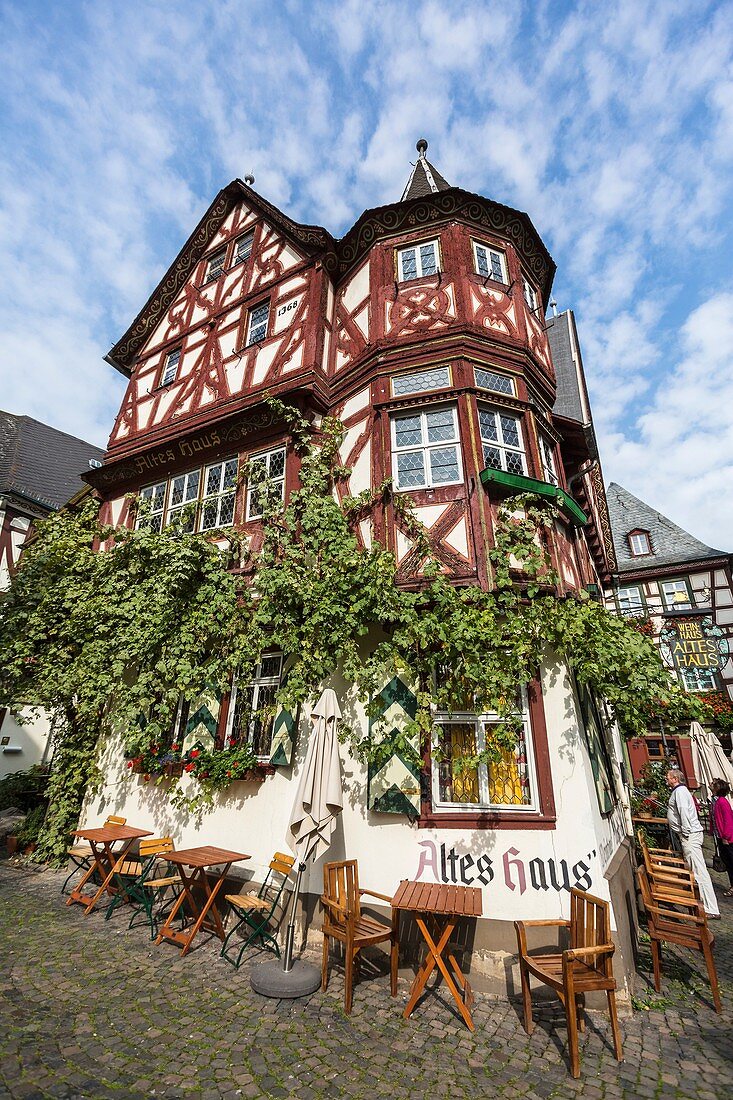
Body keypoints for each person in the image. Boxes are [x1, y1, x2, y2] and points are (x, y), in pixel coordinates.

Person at [666, 768, 720, 918]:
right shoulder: (680, 791)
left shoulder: (680, 792)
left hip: (689, 836)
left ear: (675, 779)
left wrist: (685, 832)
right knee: (696, 870)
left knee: (699, 871)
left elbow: (684, 812)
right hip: (689, 835)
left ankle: (711, 908)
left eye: (668, 777)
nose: (666, 780)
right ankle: (704, 903)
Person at [710, 778, 733, 898]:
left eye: (712, 784)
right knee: (728, 862)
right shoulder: (715, 801)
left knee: (731, 862)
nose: (710, 784)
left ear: (717, 788)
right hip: (720, 836)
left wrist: (726, 836)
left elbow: (728, 820)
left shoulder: (722, 802)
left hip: (727, 838)